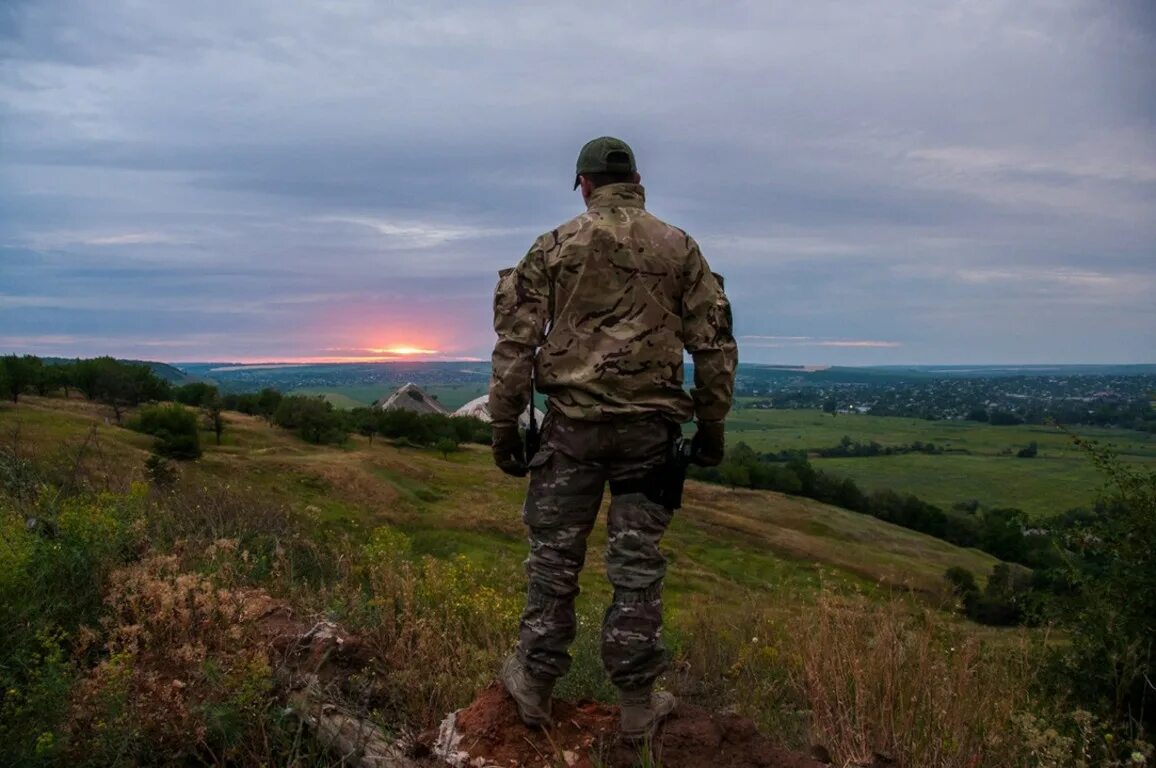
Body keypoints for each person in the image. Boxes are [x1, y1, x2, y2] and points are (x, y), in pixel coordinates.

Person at [489, 136, 737, 740]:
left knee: (553, 560)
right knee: (636, 566)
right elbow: (714, 343)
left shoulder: (555, 245)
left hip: (571, 429)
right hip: (649, 434)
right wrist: (711, 424)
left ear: (585, 184)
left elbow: (517, 343)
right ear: (637, 180)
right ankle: (635, 705)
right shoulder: (680, 247)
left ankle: (533, 685)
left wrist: (503, 423)